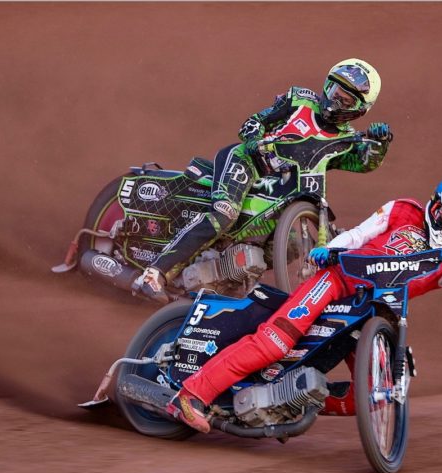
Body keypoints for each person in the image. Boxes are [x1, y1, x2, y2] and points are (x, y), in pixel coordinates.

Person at [165, 174, 442, 432]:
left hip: (373, 313)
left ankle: (289, 400)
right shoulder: (403, 209)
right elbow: (358, 236)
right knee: (274, 342)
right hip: (336, 282)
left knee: (375, 393)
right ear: (433, 203)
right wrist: (330, 250)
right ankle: (191, 395)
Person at [133, 58, 393, 303]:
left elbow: (364, 163)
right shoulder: (299, 100)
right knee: (224, 214)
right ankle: (155, 273)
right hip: (248, 161)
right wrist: (255, 142)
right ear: (327, 85)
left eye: (345, 100)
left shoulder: (346, 141)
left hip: (280, 189)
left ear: (359, 110)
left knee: (290, 245)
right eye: (335, 91)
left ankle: (224, 278)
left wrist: (380, 144)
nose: (336, 101)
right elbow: (253, 122)